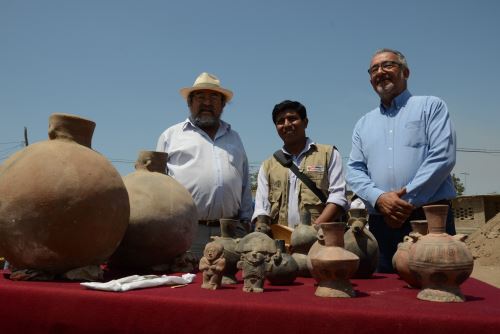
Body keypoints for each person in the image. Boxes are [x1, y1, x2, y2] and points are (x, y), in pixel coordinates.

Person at [346, 48, 457, 273]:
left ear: (405, 72)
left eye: (388, 65)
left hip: (429, 219)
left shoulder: (431, 107)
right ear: (370, 80)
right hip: (381, 223)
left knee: (438, 289)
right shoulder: (363, 124)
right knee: (385, 298)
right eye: (374, 69)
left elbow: (443, 156)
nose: (380, 72)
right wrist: (379, 199)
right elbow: (354, 170)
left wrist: (405, 202)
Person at [156, 72, 253, 259]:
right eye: (200, 97)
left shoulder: (235, 138)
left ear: (223, 105)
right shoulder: (170, 136)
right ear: (189, 102)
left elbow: (245, 182)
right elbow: (158, 185)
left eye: (214, 97)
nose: (207, 103)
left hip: (231, 233)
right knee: (186, 282)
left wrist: (246, 222)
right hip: (186, 231)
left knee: (232, 282)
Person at [252, 100, 348, 229]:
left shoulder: (328, 154)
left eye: (292, 119)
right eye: (280, 121)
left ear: (305, 122)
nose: (286, 124)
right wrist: (262, 228)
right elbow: (261, 208)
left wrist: (311, 231)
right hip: (281, 243)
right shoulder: (268, 165)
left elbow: (338, 198)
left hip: (320, 239)